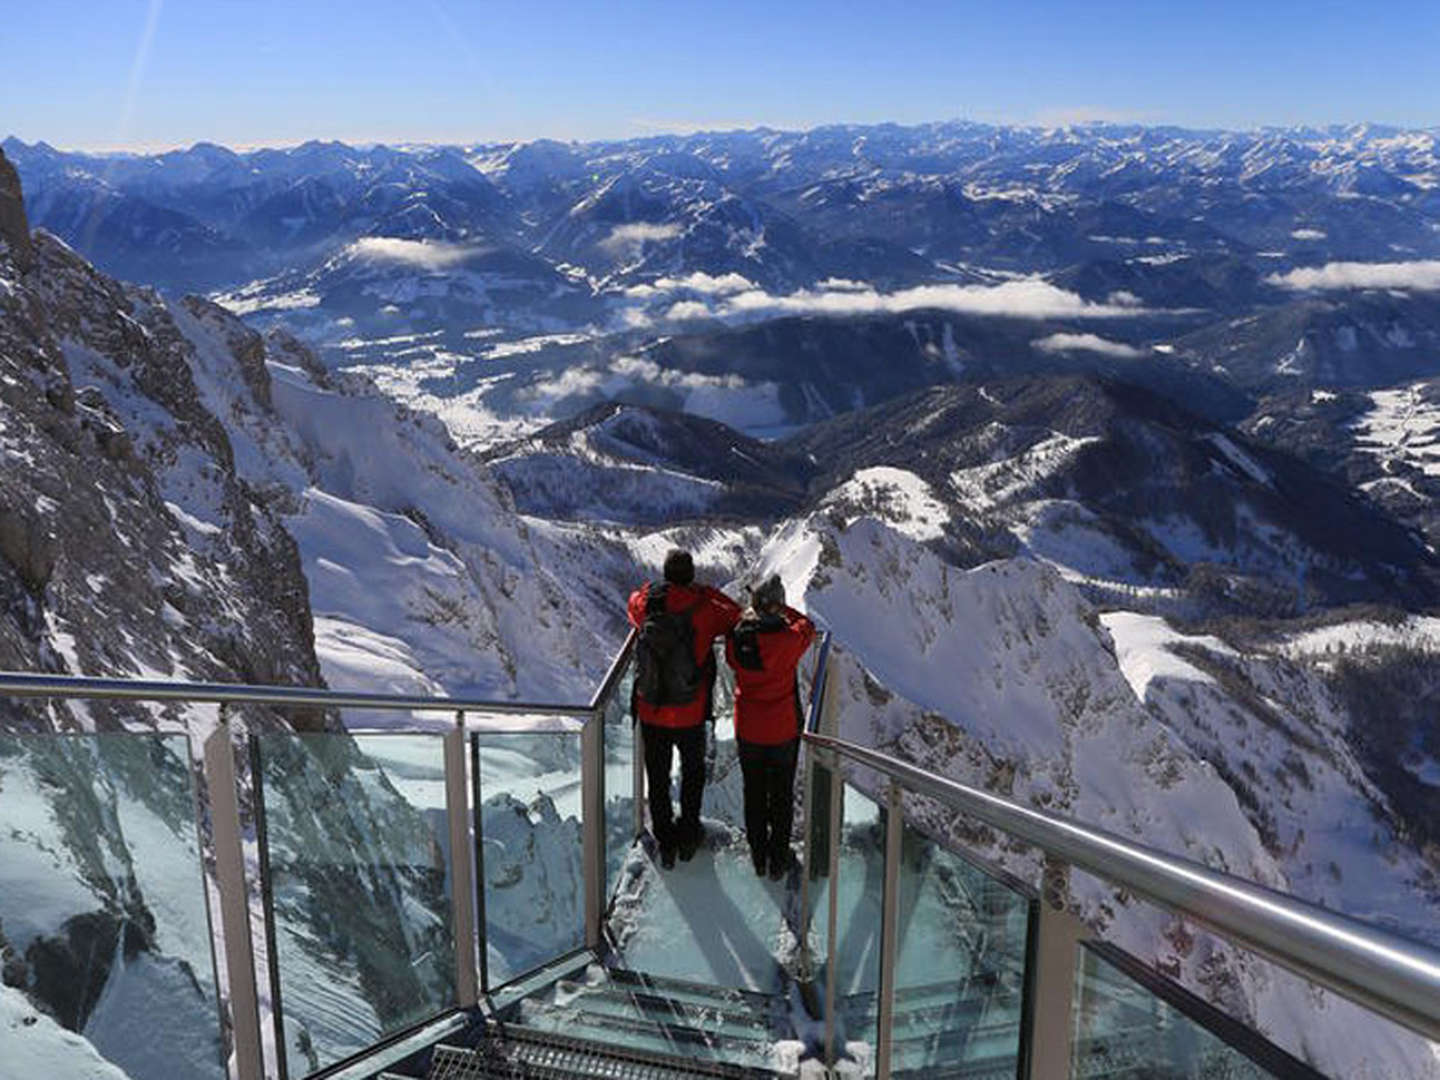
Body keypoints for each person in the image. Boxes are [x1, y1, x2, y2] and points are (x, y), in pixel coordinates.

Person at [628, 548, 741, 869]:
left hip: (651, 711)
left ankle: (665, 840)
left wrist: (655, 589)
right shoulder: (705, 609)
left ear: (666, 575)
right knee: (693, 775)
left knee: (658, 777)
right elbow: (734, 613)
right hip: (690, 712)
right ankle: (689, 834)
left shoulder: (648, 605)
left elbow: (632, 601)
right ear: (691, 575)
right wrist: (704, 590)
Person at [725, 574, 816, 881]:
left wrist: (757, 613)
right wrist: (784, 611)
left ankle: (758, 856)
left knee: (754, 793)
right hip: (782, 730)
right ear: (777, 606)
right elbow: (807, 627)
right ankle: (778, 860)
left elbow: (730, 658)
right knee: (781, 796)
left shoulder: (737, 637)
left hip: (749, 728)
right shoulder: (790, 640)